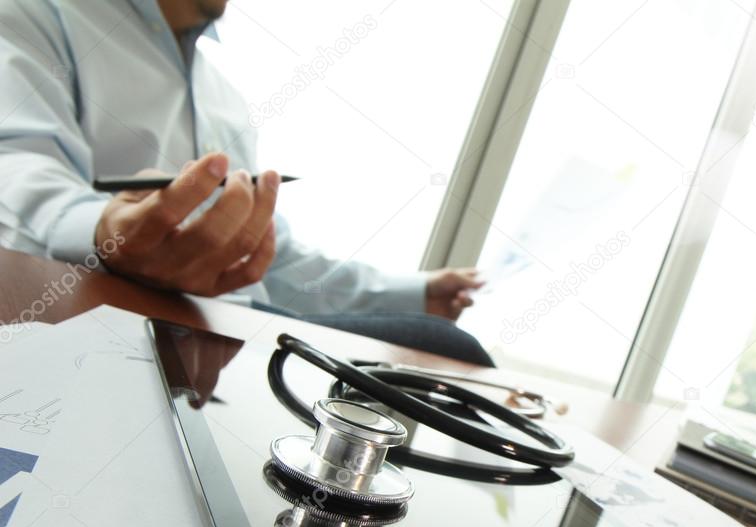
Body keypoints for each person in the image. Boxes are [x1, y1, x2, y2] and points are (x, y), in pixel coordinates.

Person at [0, 0, 493, 365]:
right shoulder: (35, 16)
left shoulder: (225, 100)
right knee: (448, 348)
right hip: (84, 327)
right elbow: (17, 164)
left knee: (443, 351)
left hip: (225, 344)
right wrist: (100, 231)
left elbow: (273, 262)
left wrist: (413, 292)